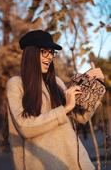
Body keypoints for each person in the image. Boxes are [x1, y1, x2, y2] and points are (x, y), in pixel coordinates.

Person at [6, 30, 104, 170]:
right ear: (31, 54)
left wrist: (95, 87)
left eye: (51, 52)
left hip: (77, 162)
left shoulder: (56, 83)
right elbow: (24, 127)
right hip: (45, 164)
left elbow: (81, 117)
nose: (50, 56)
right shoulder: (16, 84)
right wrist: (64, 109)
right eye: (44, 51)